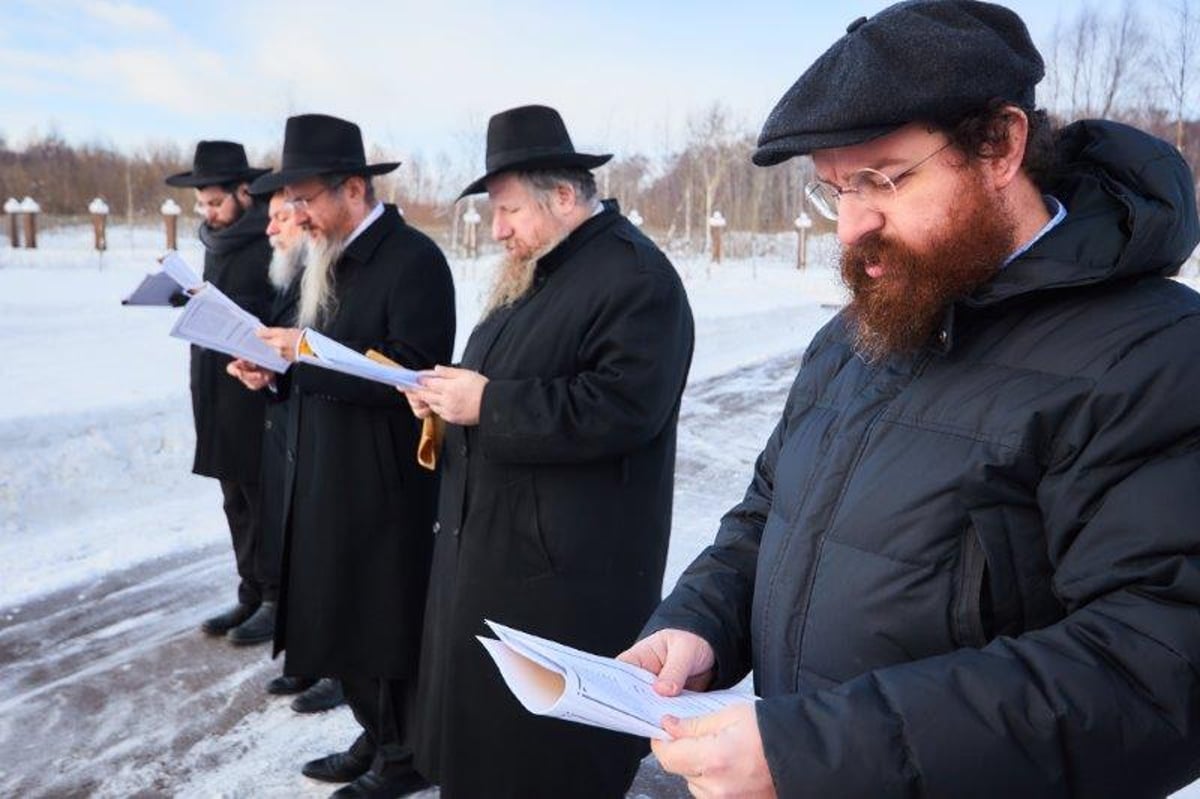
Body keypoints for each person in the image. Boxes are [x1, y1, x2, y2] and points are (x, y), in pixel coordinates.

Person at [620, 2, 1200, 797]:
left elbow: (1155, 670)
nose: (851, 228)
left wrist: (815, 752)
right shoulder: (863, 328)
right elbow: (771, 510)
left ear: (999, 146)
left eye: (882, 179)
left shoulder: (1153, 354)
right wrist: (698, 620)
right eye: (833, 190)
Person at [404, 104, 695, 799]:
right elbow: (505, 379)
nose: (496, 228)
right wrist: (448, 403)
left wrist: (487, 405)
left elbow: (624, 408)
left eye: (507, 210)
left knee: (544, 764)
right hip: (492, 560)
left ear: (564, 196)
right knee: (484, 753)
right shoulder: (534, 268)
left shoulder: (636, 278)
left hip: (564, 582)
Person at [238, 113, 455, 799]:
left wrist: (298, 365)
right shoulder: (321, 256)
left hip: (382, 484)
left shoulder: (413, 261)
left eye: (306, 200)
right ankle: (378, 733)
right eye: (292, 203)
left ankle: (403, 757)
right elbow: (307, 362)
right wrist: (271, 372)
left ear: (354, 188)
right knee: (341, 627)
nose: (297, 216)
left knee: (381, 629)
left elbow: (414, 377)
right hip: (322, 475)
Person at [228, 189, 345, 716]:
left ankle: (339, 664)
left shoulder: (329, 277)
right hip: (289, 431)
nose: (272, 228)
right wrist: (267, 371)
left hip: (332, 439)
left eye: (283, 218)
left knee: (330, 556)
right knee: (296, 547)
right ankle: (313, 652)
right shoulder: (289, 278)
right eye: (271, 217)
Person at [165, 141, 278, 645]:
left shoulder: (270, 243)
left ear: (244, 193)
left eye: (216, 203)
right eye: (202, 205)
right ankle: (250, 592)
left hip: (256, 390)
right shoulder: (218, 242)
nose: (208, 213)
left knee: (263, 498)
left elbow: (281, 316)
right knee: (233, 495)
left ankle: (277, 598)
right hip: (212, 383)